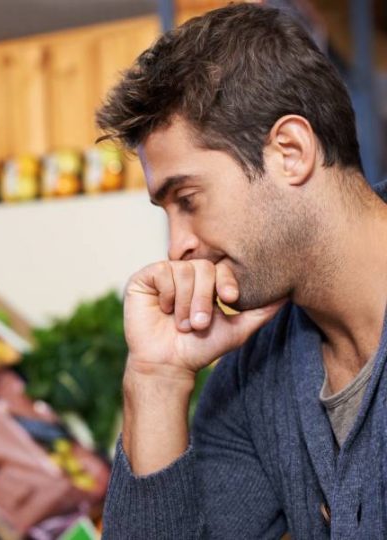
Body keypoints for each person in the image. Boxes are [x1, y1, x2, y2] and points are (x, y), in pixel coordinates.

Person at [95, 3, 387, 538]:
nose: (177, 249)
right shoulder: (255, 367)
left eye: (187, 199)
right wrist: (156, 380)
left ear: (290, 152)